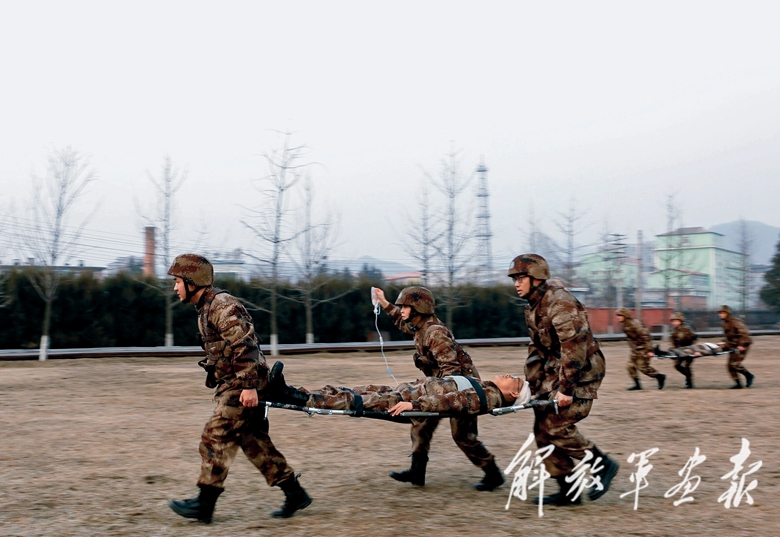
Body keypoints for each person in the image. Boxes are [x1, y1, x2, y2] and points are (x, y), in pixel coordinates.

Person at [166, 254, 311, 523]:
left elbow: (245, 345)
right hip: (237, 384)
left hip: (243, 385)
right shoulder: (206, 308)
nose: (175, 287)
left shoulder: (222, 306)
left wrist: (249, 386)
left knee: (215, 435)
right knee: (253, 441)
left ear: (192, 282)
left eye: (177, 281)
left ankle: (204, 504)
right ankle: (295, 494)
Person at [509, 254, 619, 505]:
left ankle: (602, 464)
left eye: (521, 278)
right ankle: (568, 490)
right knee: (542, 429)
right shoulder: (533, 307)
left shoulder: (560, 302)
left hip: (582, 371)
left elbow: (574, 347)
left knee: (556, 426)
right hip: (557, 369)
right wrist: (531, 385)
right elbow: (537, 349)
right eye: (514, 279)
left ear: (537, 278)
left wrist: (566, 389)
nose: (516, 283)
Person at [372, 286, 502, 491]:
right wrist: (383, 302)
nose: (402, 310)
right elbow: (400, 320)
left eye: (405, 306)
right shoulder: (419, 327)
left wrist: (438, 399)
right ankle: (417, 472)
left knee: (463, 436)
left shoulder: (436, 333)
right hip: (440, 385)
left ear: (418, 308)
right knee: (421, 423)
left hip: (463, 389)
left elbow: (452, 372)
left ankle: (493, 474)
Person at [266, 361, 530, 416]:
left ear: (514, 394)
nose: (509, 375)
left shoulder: (487, 397)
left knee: (353, 400)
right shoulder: (483, 385)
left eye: (515, 379)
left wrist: (414, 405)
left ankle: (292, 396)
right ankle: (289, 390)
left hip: (407, 401)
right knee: (353, 389)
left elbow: (450, 402)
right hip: (407, 391)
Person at [616, 307, 666, 390]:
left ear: (625, 316)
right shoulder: (625, 325)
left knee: (643, 368)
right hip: (636, 348)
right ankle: (637, 385)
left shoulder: (635, 324)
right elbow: (630, 338)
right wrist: (633, 346)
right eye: (618, 315)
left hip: (644, 348)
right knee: (630, 366)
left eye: (620, 315)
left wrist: (650, 350)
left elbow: (646, 336)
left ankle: (660, 376)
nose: (618, 317)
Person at [717, 305, 755, 389]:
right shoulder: (725, 323)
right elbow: (729, 336)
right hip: (733, 346)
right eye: (719, 313)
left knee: (735, 364)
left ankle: (749, 375)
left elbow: (744, 333)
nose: (720, 315)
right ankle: (738, 384)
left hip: (742, 345)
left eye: (722, 313)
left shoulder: (735, 322)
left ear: (727, 313)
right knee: (729, 366)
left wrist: (742, 345)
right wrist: (723, 342)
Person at [669, 312, 697, 388]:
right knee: (677, 365)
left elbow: (694, 340)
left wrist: (694, 350)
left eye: (675, 321)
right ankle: (688, 376)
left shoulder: (687, 329)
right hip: (679, 351)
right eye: (673, 321)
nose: (674, 323)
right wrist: (673, 350)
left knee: (686, 365)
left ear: (680, 321)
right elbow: (672, 341)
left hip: (689, 350)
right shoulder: (673, 331)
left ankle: (689, 382)